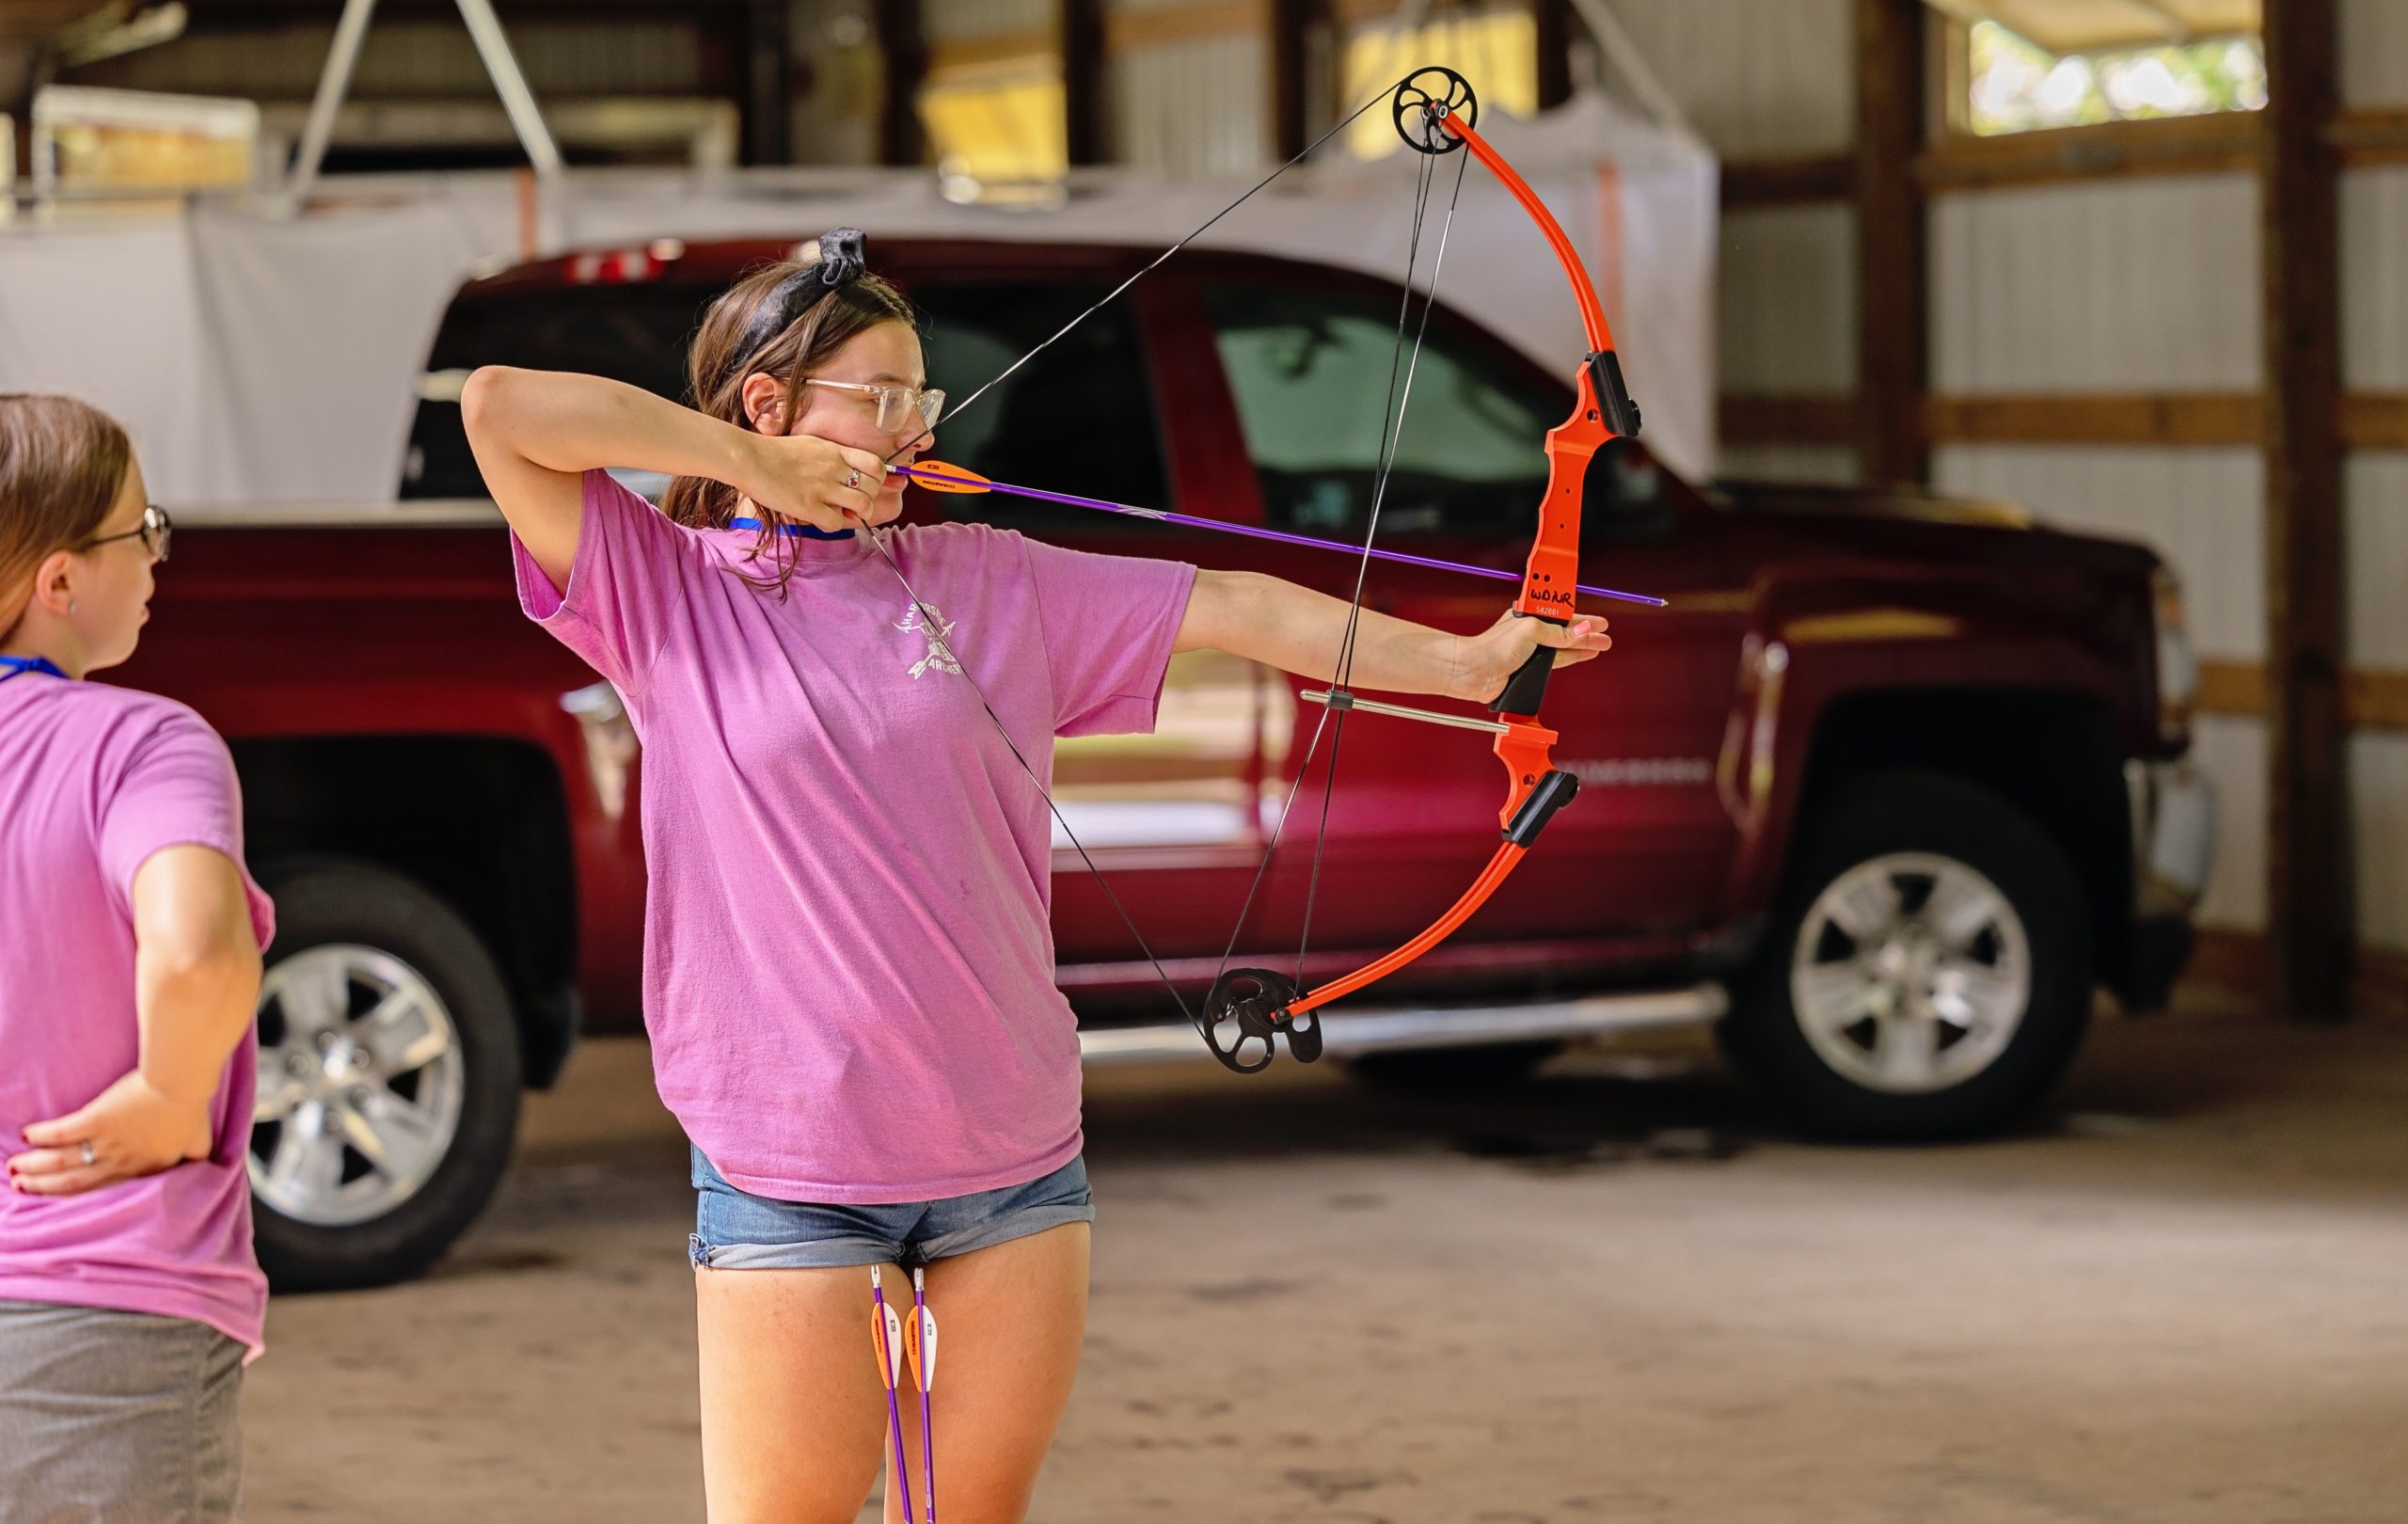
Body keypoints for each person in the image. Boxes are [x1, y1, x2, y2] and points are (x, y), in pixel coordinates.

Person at [461, 232, 1611, 1524]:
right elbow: (500, 405)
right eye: (877, 397)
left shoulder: (989, 578)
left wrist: (1469, 667)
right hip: (789, 1161)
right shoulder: (661, 591)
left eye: (923, 398)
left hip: (1009, 1152)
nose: (908, 429)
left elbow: (1239, 605)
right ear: (770, 402)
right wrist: (747, 462)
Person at [0, 394, 275, 1524]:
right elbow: (200, 951)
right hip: (93, 1314)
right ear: (59, 583)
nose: (159, 555)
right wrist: (168, 1095)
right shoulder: (140, 743)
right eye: (140, 528)